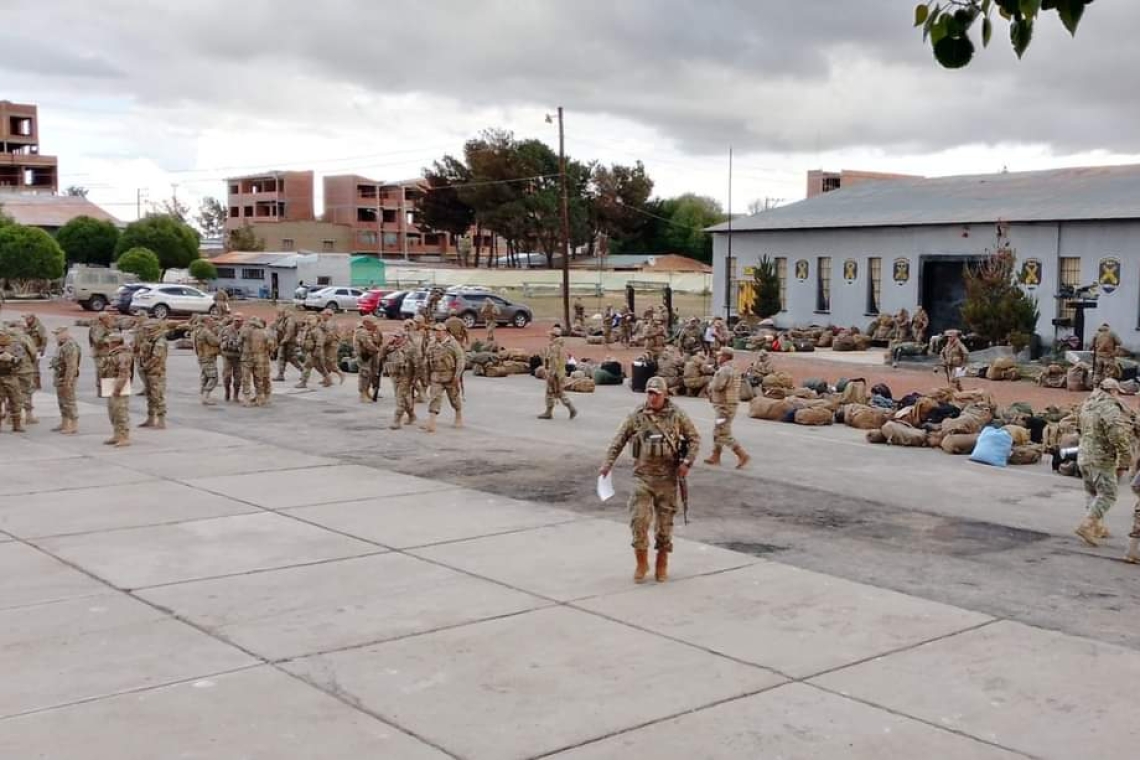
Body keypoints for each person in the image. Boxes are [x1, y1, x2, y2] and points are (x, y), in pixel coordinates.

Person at [600, 376, 700, 584]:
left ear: (665, 395)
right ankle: (641, 561)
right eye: (649, 393)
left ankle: (661, 564)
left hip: (668, 479)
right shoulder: (637, 416)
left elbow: (694, 439)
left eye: (656, 394)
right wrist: (607, 464)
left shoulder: (676, 415)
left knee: (664, 526)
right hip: (643, 477)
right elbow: (619, 440)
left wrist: (687, 463)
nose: (652, 398)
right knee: (639, 520)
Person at [1074, 379, 1134, 548]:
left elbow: (1078, 428)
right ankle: (1087, 525)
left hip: (1084, 455)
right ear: (1112, 391)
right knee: (1108, 494)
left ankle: (1097, 526)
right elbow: (1117, 434)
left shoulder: (1086, 404)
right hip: (1101, 458)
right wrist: (1125, 456)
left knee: (1092, 492)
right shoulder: (1109, 408)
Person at [704, 347, 750, 469]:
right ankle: (715, 455)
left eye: (720, 355)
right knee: (718, 430)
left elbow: (718, 386)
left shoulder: (724, 370)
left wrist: (710, 386)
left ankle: (742, 454)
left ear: (725, 357)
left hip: (724, 406)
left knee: (722, 432)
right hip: (729, 405)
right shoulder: (734, 368)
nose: (718, 357)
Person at [422, 323, 464, 433]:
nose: (438, 333)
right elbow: (426, 361)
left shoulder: (453, 344)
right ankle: (431, 422)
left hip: (450, 375)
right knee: (434, 398)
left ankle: (458, 415)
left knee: (454, 398)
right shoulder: (431, 344)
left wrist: (457, 376)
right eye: (435, 331)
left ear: (445, 332)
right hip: (436, 375)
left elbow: (460, 359)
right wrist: (426, 377)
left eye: (440, 331)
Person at [101, 332, 133, 447]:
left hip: (118, 386)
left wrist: (118, 389)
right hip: (110, 383)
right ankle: (117, 434)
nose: (108, 344)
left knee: (120, 412)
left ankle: (124, 436)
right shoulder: (113, 353)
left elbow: (124, 373)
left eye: (110, 342)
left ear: (115, 343)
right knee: (112, 412)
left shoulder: (123, 354)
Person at [538, 326, 577, 420]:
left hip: (555, 373)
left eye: (550, 334)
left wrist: (551, 374)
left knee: (555, 392)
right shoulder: (560, 346)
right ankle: (567, 409)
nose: (549, 336)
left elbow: (553, 361)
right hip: (560, 372)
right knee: (555, 392)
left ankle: (567, 409)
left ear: (554, 336)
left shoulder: (554, 347)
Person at [50, 325, 81, 434]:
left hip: (66, 377)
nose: (56, 336)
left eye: (57, 334)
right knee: (62, 401)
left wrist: (68, 382)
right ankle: (64, 422)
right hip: (60, 376)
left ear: (65, 333)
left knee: (69, 401)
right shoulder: (62, 345)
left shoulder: (70, 346)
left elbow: (71, 366)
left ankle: (73, 425)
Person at [138, 320, 168, 429]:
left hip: (156, 372)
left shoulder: (159, 342)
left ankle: (161, 420)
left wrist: (146, 366)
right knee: (149, 396)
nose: (146, 331)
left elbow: (156, 358)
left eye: (148, 329)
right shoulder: (149, 339)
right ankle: (150, 418)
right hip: (148, 372)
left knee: (157, 396)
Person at [384, 332, 417, 430]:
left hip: (405, 376)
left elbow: (417, 364)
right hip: (394, 376)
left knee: (400, 398)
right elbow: (381, 354)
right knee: (405, 398)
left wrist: (415, 378)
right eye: (394, 336)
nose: (395, 338)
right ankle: (412, 415)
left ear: (403, 337)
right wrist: (387, 345)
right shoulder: (391, 347)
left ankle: (397, 420)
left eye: (398, 337)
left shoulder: (410, 348)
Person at [0, 331, 26, 432]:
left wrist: (12, 359)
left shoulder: (16, 346)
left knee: (16, 400)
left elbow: (22, 361)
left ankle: (17, 424)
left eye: (3, 345)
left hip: (11, 377)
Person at [353, 316, 382, 403]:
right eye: (373, 324)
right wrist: (378, 350)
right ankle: (363, 394)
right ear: (366, 323)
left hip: (372, 355)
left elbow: (379, 340)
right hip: (364, 356)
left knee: (372, 373)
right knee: (365, 374)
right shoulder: (361, 332)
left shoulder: (373, 330)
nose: (375, 326)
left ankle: (367, 391)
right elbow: (368, 344)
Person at [296, 314, 330, 389]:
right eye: (307, 319)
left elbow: (320, 341)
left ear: (316, 321)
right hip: (309, 351)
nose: (308, 321)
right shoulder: (308, 329)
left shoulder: (317, 330)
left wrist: (317, 351)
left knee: (307, 366)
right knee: (319, 367)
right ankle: (328, 379)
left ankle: (303, 382)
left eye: (311, 320)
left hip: (315, 351)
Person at [193, 315, 221, 405]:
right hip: (208, 357)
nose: (212, 322)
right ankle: (206, 396)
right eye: (210, 320)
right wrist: (221, 338)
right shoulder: (205, 332)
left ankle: (204, 396)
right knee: (213, 377)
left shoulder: (196, 331)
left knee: (205, 377)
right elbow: (215, 342)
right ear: (205, 321)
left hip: (201, 357)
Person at [273, 306, 304, 381]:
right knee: (281, 358)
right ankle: (281, 374)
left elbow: (289, 332)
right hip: (284, 342)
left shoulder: (290, 320)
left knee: (292, 359)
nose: (277, 313)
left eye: (279, 312)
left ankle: (304, 371)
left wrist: (284, 340)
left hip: (288, 342)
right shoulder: (283, 319)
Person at [87, 312, 115, 394]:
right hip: (100, 353)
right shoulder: (98, 328)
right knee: (101, 371)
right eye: (108, 318)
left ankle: (105, 390)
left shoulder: (105, 326)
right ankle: (102, 390)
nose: (110, 319)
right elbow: (97, 340)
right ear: (103, 319)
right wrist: (108, 340)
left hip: (105, 352)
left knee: (106, 371)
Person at [220, 314, 245, 401]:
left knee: (238, 377)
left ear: (243, 321)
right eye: (236, 320)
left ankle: (235, 395)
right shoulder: (226, 329)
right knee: (227, 376)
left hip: (239, 357)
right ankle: (227, 392)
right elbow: (219, 340)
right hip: (227, 356)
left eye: (239, 321)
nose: (237, 323)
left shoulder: (245, 331)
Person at [23, 313, 47, 391]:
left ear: (32, 318)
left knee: (35, 368)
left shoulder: (39, 327)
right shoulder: (27, 326)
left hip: (37, 349)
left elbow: (44, 338)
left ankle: (37, 385)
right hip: (29, 350)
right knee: (29, 367)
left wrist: (42, 348)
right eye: (25, 319)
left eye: (27, 319)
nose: (26, 321)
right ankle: (31, 383)